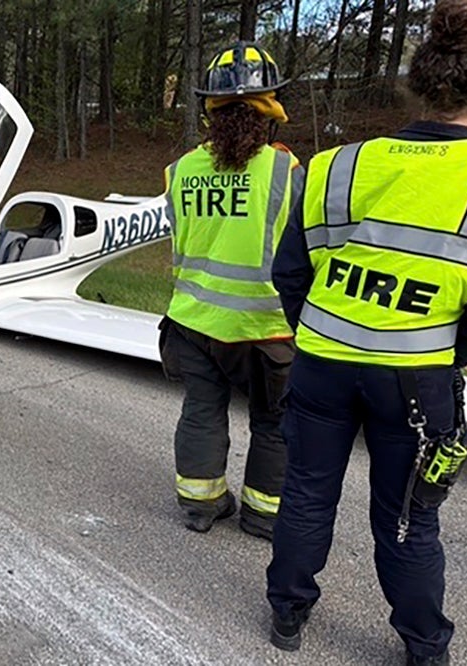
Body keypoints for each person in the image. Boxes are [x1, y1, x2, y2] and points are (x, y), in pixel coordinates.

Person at [265, 1, 467, 664]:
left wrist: (328, 331)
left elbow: (289, 272)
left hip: (322, 361)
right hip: (416, 379)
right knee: (409, 519)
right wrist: (435, 350)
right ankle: (424, 647)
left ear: (414, 81)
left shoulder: (335, 165)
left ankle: (288, 613)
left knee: (305, 492)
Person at [159, 42, 303, 540]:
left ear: (210, 111)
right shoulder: (287, 171)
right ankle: (264, 516)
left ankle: (201, 506)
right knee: (273, 423)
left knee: (202, 410)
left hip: (193, 322)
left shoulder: (179, 172)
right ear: (269, 111)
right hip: (267, 330)